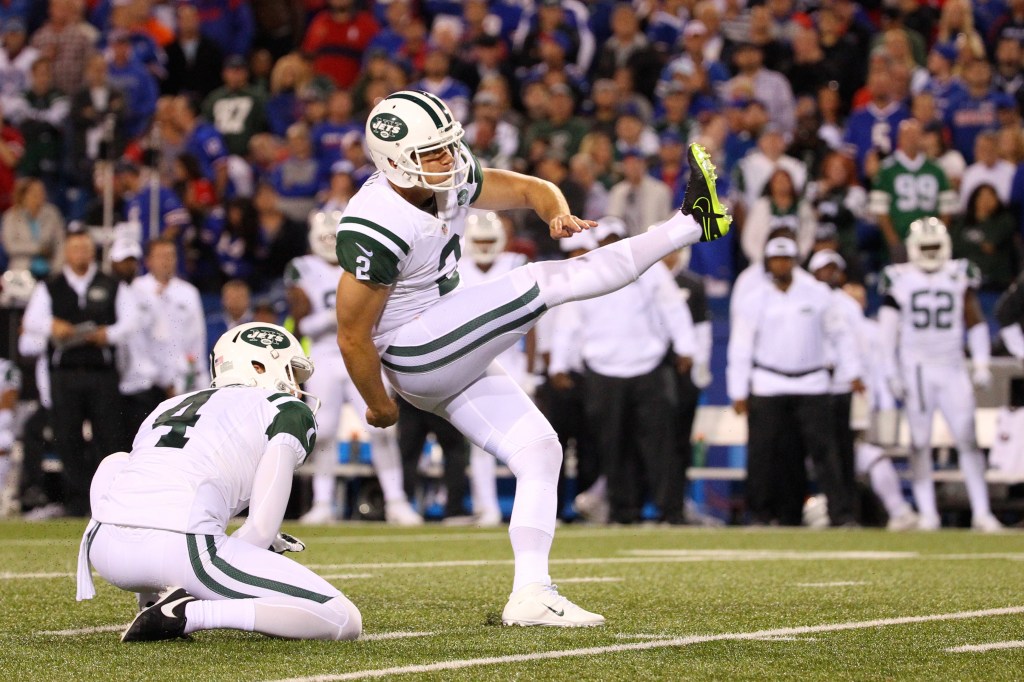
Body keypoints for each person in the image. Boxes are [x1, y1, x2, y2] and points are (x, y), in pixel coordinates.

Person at [335, 90, 730, 626]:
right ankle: (689, 223)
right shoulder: (375, 222)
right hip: (413, 352)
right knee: (546, 280)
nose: (449, 159)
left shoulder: (445, 177)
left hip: (446, 341)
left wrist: (557, 213)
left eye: (450, 146)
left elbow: (527, 187)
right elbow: (353, 336)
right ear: (394, 159)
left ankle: (531, 593)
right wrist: (378, 406)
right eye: (433, 153)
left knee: (539, 449)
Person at [75, 322, 362, 642]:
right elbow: (260, 530)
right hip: (179, 549)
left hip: (104, 550)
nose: (295, 386)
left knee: (118, 461)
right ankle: (188, 613)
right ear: (258, 365)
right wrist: (252, 552)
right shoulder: (286, 410)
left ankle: (152, 600)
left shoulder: (167, 406)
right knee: (343, 618)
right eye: (290, 372)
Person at [285, 211, 419, 525]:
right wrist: (334, 316)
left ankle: (396, 500)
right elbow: (301, 321)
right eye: (327, 237)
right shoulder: (302, 268)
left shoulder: (364, 258)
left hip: (363, 352)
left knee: (383, 426)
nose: (332, 243)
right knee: (325, 431)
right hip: (324, 355)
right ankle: (322, 502)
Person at [727, 236, 862, 526]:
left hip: (812, 382)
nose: (780, 264)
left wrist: (853, 373)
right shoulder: (754, 299)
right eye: (775, 259)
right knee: (764, 454)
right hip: (768, 381)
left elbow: (839, 334)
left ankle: (841, 514)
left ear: (795, 261)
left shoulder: (816, 293)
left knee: (826, 454)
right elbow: (740, 347)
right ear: (767, 263)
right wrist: (738, 390)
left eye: (786, 259)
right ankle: (761, 514)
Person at [878, 217, 1003, 532]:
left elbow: (974, 320)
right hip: (916, 368)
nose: (931, 252)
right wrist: (890, 371)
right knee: (919, 442)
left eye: (935, 246)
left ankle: (982, 511)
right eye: (926, 247)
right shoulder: (899, 278)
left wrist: (982, 363)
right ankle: (928, 513)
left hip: (951, 366)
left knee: (967, 437)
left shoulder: (959, 273)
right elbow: (887, 332)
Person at [21, 231, 139, 518]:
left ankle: (112, 502)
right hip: (65, 372)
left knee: (109, 438)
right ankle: (77, 503)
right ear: (67, 253)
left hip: (102, 372)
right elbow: (31, 321)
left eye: (85, 249)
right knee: (68, 438)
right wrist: (53, 325)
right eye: (74, 249)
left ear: (92, 253)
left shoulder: (111, 285)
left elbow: (132, 321)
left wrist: (106, 334)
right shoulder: (51, 286)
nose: (80, 254)